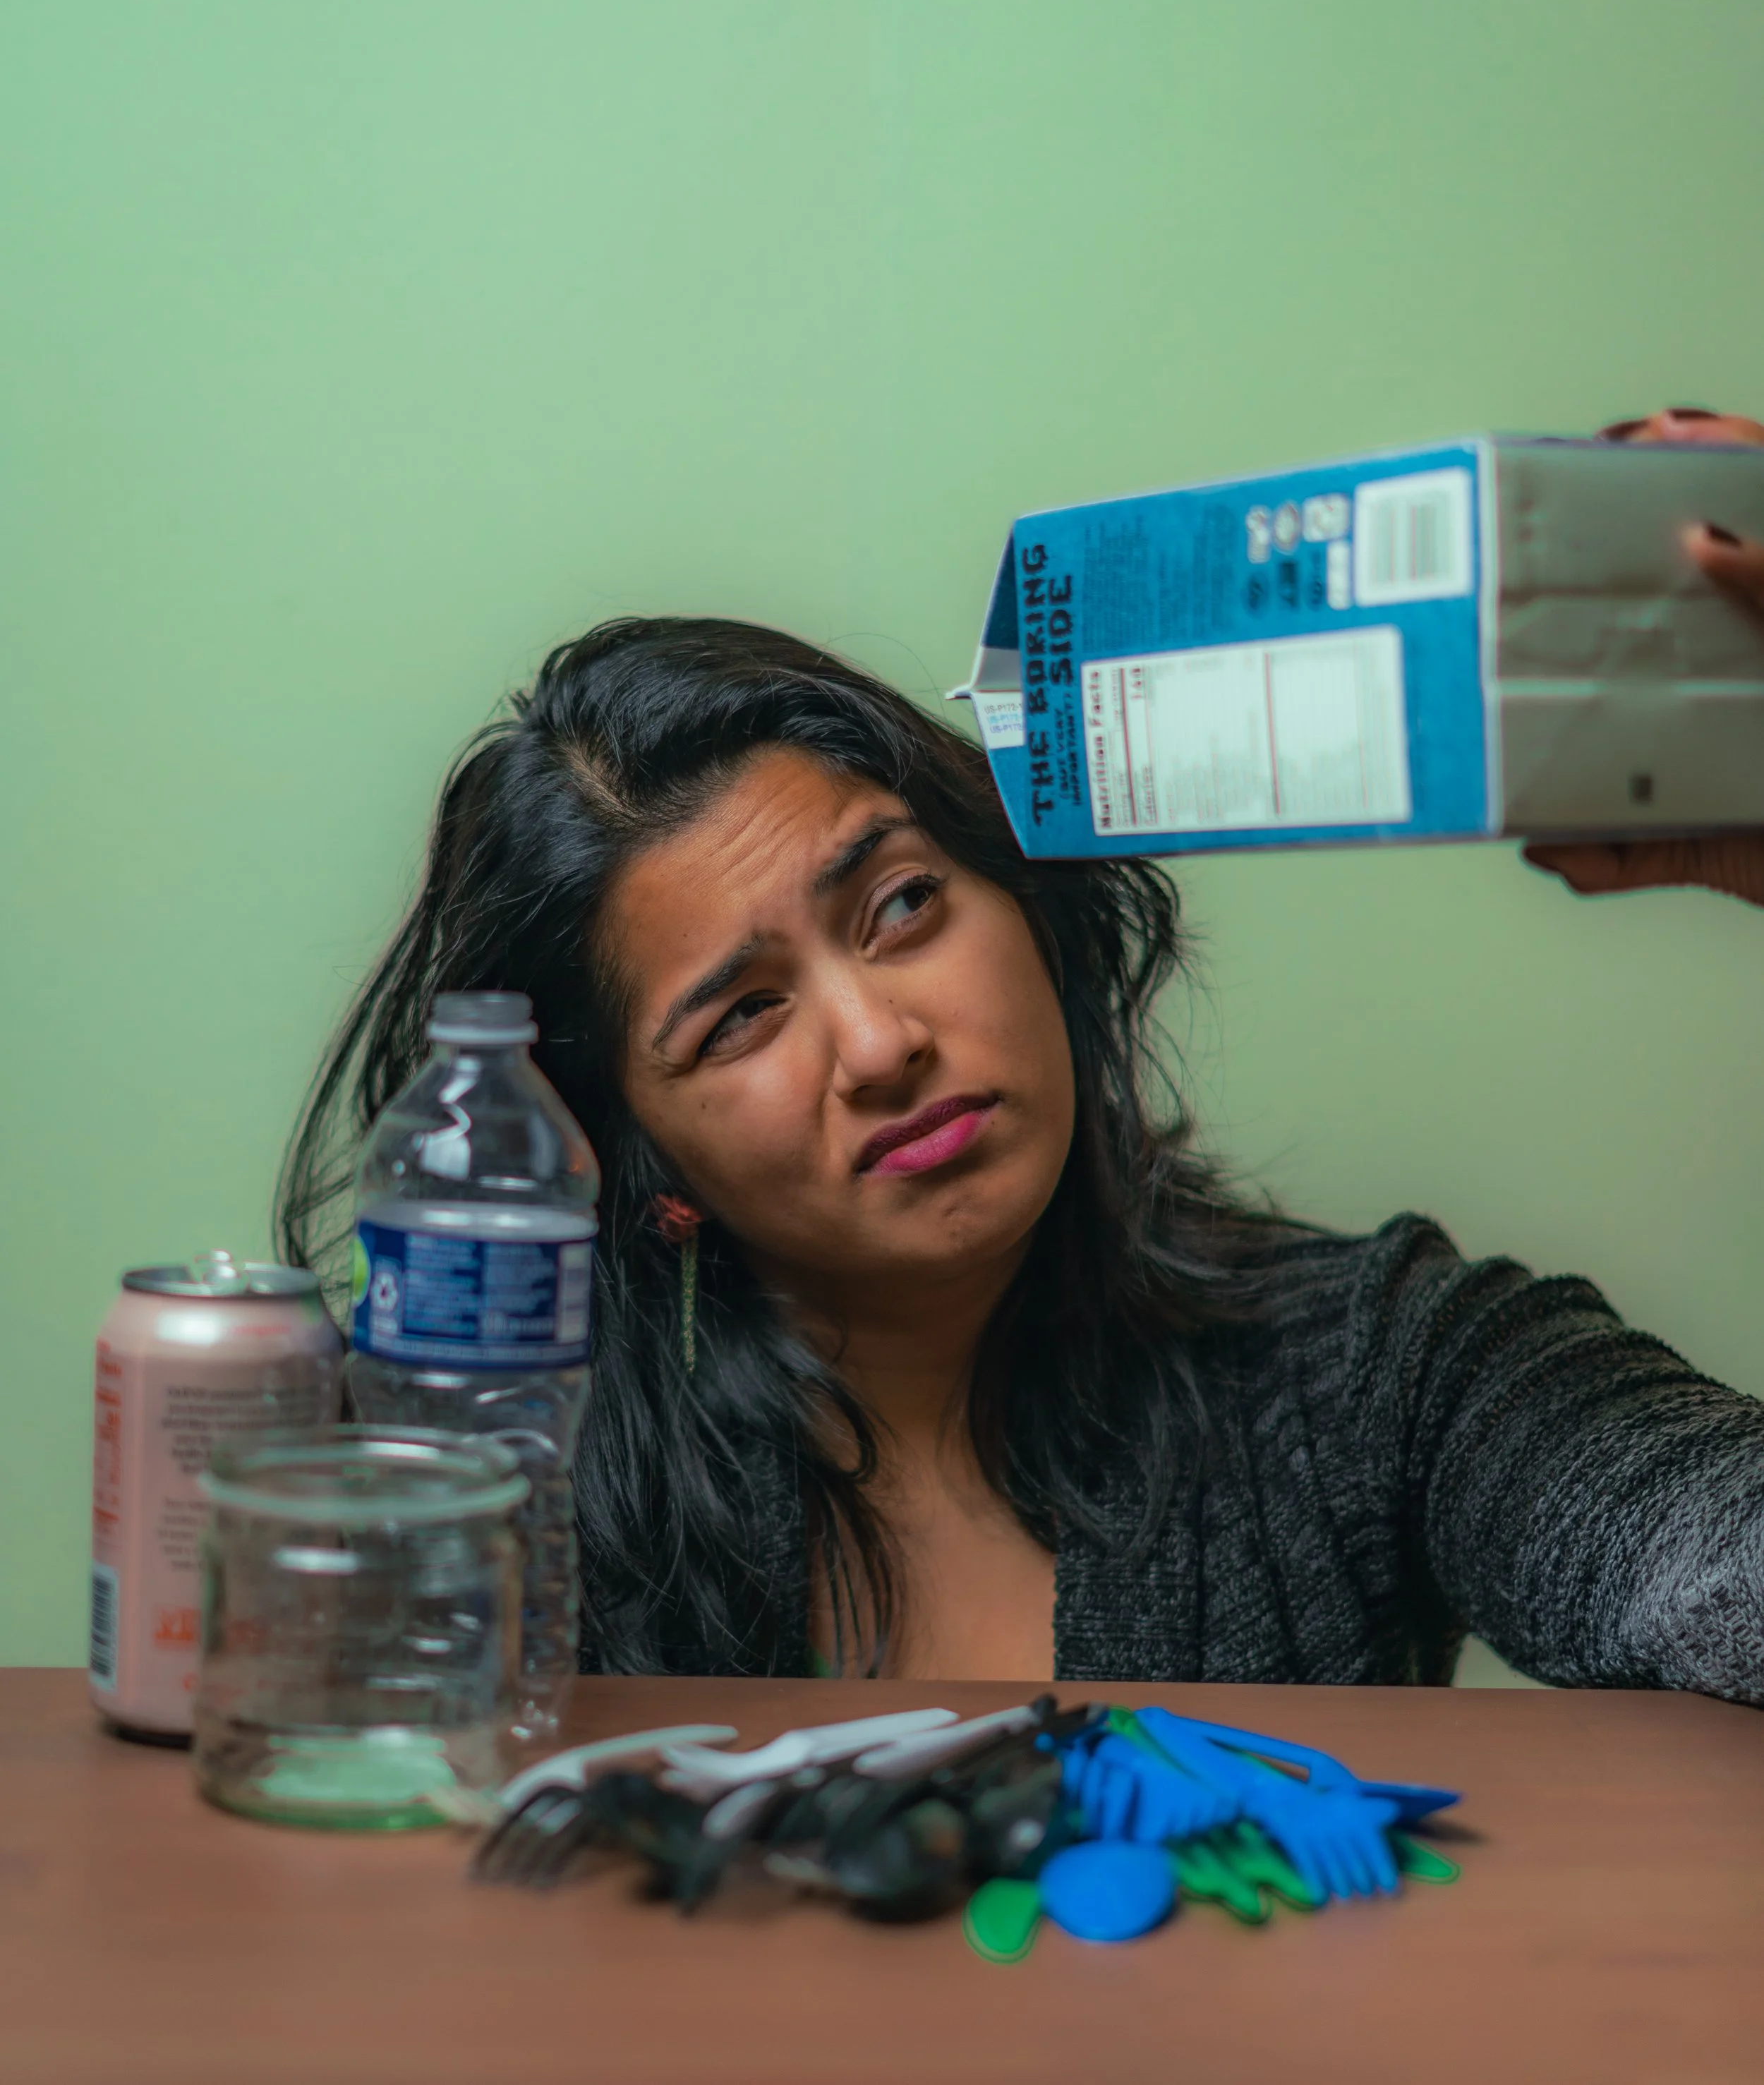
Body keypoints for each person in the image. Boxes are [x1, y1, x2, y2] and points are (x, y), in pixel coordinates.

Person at [280, 409, 1764, 1693]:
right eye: (739, 1015)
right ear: (638, 1158)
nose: (878, 1041)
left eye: (903, 904)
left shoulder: (1377, 1366)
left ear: (1031, 909)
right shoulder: (492, 1484)